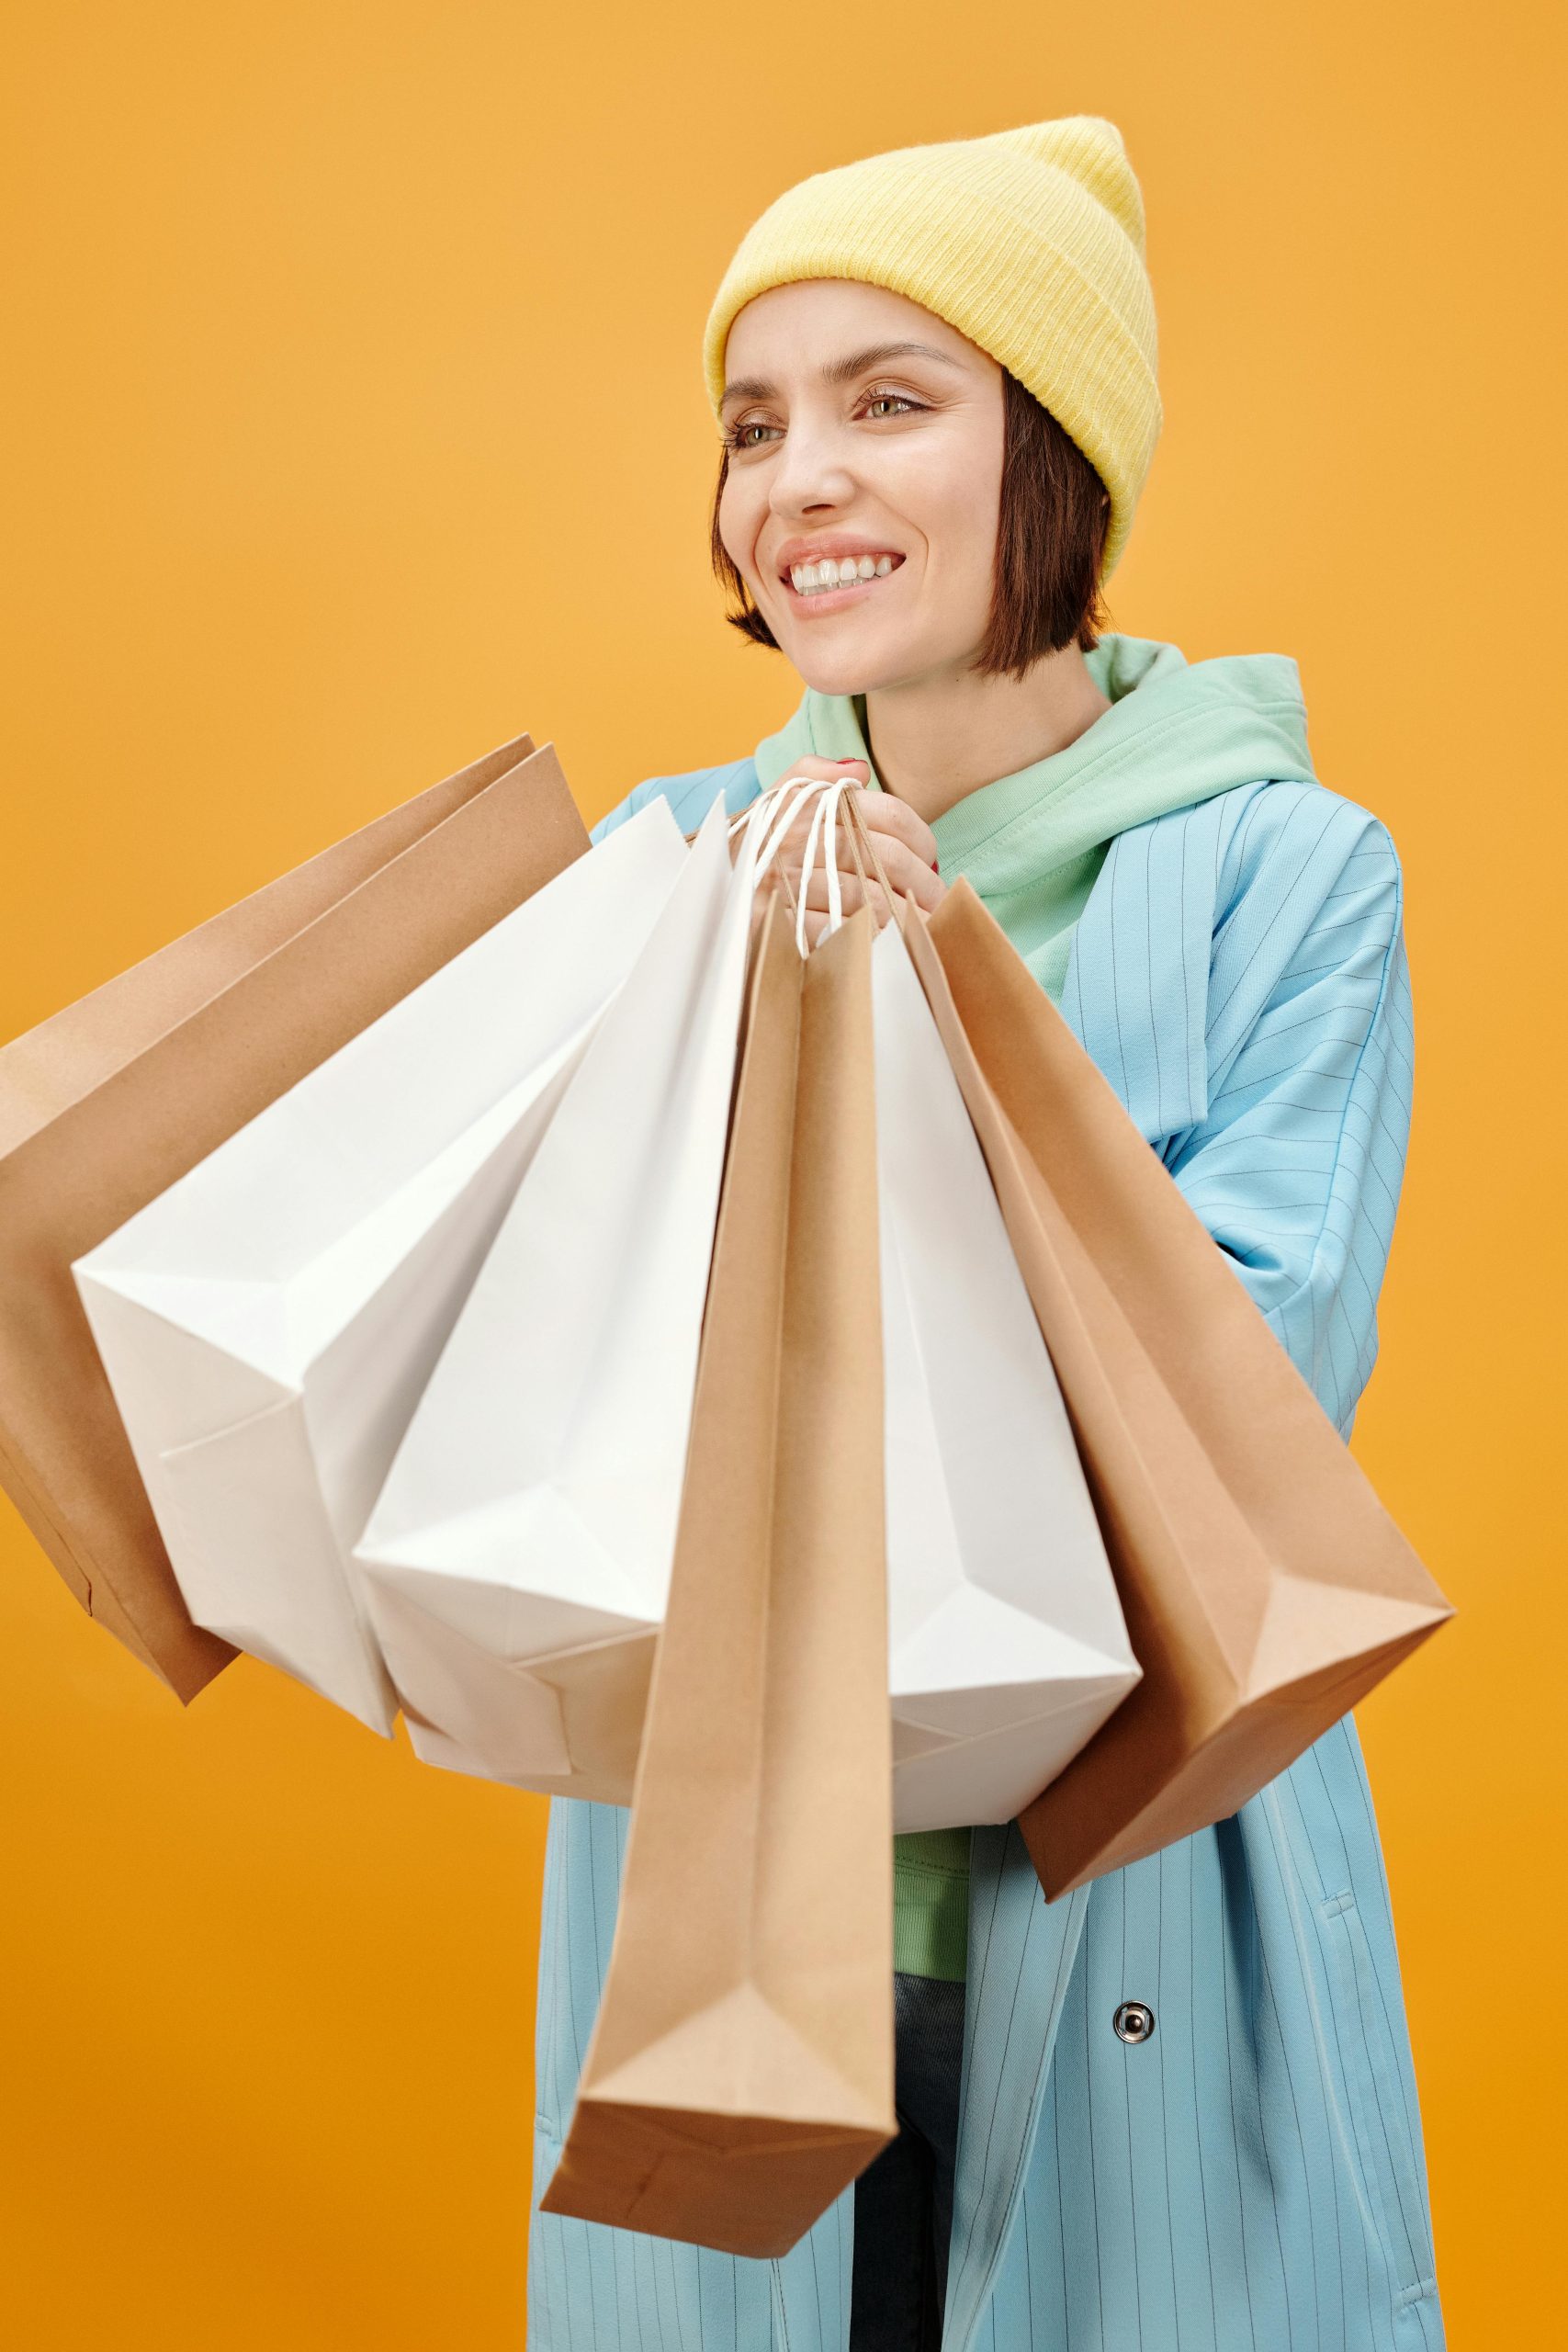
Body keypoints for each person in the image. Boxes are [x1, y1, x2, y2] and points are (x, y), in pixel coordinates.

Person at [527, 117, 1443, 2350]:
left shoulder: (1285, 879)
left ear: (1054, 459)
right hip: (733, 1947)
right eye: (756, 424)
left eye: (890, 401)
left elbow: (1242, 1410)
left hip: (1142, 1928)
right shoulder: (670, 863)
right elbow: (548, 1364)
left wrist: (935, 994)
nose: (797, 481)